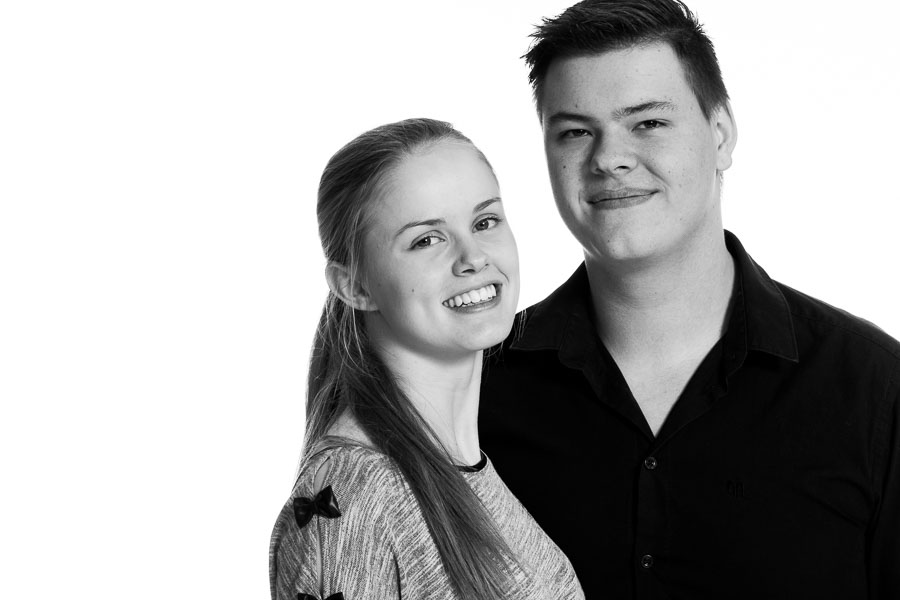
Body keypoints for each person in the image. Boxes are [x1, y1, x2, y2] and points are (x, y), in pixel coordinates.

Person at [479, 1, 900, 598]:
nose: (608, 158)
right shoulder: (474, 392)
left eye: (648, 123)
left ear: (721, 134)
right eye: (575, 132)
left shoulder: (874, 389)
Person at [269, 118, 584, 600]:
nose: (473, 257)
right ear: (354, 286)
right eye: (427, 239)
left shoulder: (468, 465)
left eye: (485, 222)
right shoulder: (353, 496)